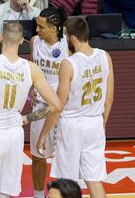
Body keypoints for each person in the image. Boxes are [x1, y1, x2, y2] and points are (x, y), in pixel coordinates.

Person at [0, 22, 61, 198]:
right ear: (22, 40)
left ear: (1, 38)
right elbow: (56, 105)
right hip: (14, 135)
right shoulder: (32, 68)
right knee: (6, 193)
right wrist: (26, 119)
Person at [37, 17, 114, 198]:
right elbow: (109, 98)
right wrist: (102, 123)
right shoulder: (105, 56)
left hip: (72, 126)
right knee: (94, 180)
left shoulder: (68, 64)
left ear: (72, 39)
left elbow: (58, 106)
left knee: (66, 184)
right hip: (95, 123)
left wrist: (43, 134)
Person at [29, 6, 68, 198]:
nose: (37, 30)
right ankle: (38, 195)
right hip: (40, 108)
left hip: (63, 109)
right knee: (38, 156)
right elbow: (32, 69)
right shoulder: (35, 42)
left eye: (41, 26)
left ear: (54, 29)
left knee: (64, 157)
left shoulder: (69, 44)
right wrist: (31, 89)